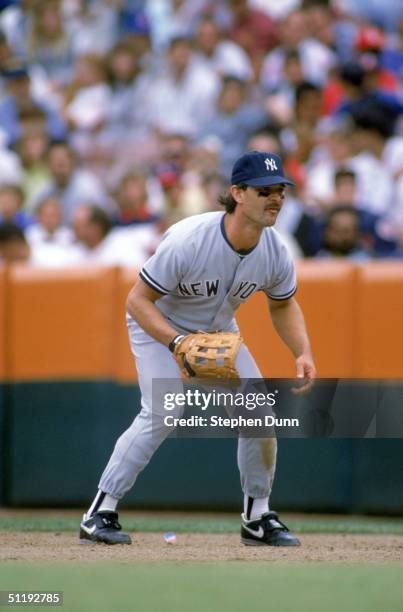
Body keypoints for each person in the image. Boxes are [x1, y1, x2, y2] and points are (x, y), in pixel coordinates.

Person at [79, 151, 316, 547]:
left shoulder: (274, 249)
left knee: (258, 413)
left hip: (217, 331)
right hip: (159, 326)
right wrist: (176, 342)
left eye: (280, 191)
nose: (275, 198)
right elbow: (137, 301)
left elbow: (282, 303)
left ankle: (256, 517)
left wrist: (302, 351)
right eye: (264, 191)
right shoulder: (191, 240)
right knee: (164, 410)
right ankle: (99, 512)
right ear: (237, 193)